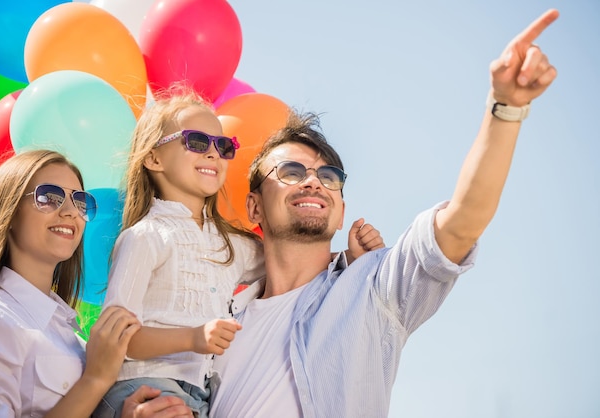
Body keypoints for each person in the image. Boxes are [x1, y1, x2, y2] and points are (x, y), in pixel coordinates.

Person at [208, 9, 560, 418]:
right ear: (254, 206)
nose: (313, 182)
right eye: (291, 171)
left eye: (329, 176)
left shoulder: (373, 290)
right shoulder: (217, 321)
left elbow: (463, 220)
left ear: (341, 213)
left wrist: (506, 107)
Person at [95, 90, 383, 418]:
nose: (214, 155)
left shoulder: (231, 244)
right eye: (198, 142)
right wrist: (192, 338)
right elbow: (119, 340)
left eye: (223, 147)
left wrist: (347, 255)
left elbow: (292, 254)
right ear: (154, 159)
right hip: (138, 385)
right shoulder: (144, 237)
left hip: (199, 394)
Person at [0, 150, 193, 418]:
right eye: (49, 197)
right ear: (9, 210)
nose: (70, 212)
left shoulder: (70, 335)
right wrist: (95, 379)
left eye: (79, 201)